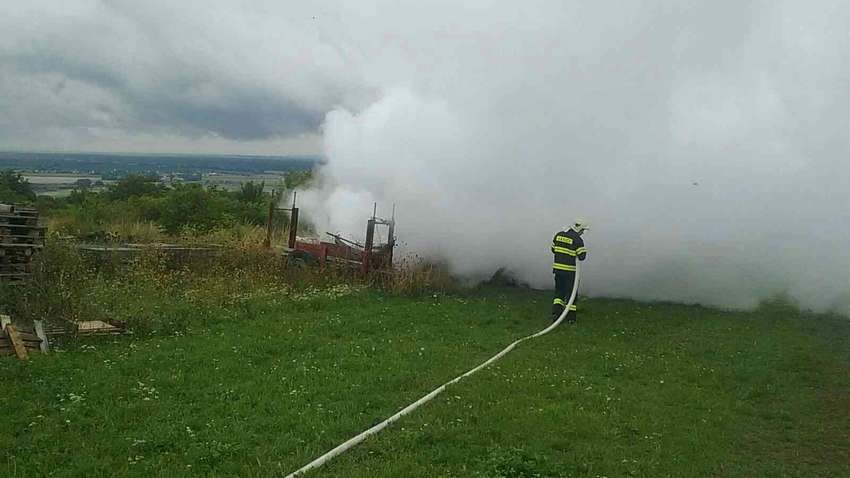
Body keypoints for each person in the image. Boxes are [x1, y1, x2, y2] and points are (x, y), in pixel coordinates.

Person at [551, 219, 588, 323]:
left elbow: (553, 249)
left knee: (559, 293)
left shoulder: (558, 235)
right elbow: (582, 256)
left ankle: (556, 314)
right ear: (579, 229)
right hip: (570, 272)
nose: (582, 233)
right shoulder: (577, 240)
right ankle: (570, 318)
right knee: (571, 294)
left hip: (558, 270)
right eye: (582, 231)